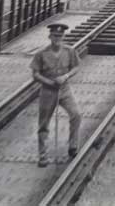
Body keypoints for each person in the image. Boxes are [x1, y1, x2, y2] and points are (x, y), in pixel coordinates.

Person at [31, 23, 82, 167]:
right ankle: (43, 156)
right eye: (55, 35)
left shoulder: (70, 51)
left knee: (76, 114)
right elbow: (35, 74)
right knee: (44, 124)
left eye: (60, 36)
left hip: (64, 89)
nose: (57, 38)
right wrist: (48, 81)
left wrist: (65, 76)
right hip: (48, 91)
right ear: (50, 36)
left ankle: (73, 146)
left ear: (63, 36)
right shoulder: (41, 54)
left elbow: (76, 67)